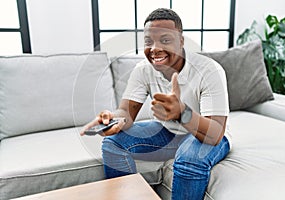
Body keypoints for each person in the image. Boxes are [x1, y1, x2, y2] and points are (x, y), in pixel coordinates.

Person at [80, 8, 231, 200]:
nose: (154, 48)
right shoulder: (142, 70)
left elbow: (215, 133)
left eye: (165, 40)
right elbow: (126, 113)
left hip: (207, 134)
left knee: (190, 159)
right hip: (167, 132)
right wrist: (112, 119)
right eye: (148, 41)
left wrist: (182, 113)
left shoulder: (209, 70)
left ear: (181, 41)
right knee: (112, 144)